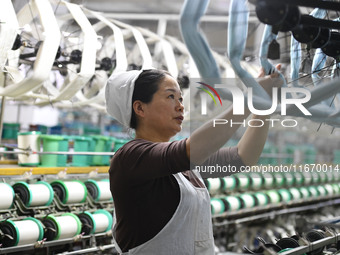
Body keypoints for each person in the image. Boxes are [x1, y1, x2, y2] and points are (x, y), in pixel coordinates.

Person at [105, 66, 282, 255]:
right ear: (140, 108)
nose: (181, 105)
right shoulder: (131, 156)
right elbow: (195, 148)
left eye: (180, 98)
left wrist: (263, 106)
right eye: (170, 97)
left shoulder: (184, 164)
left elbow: (243, 157)